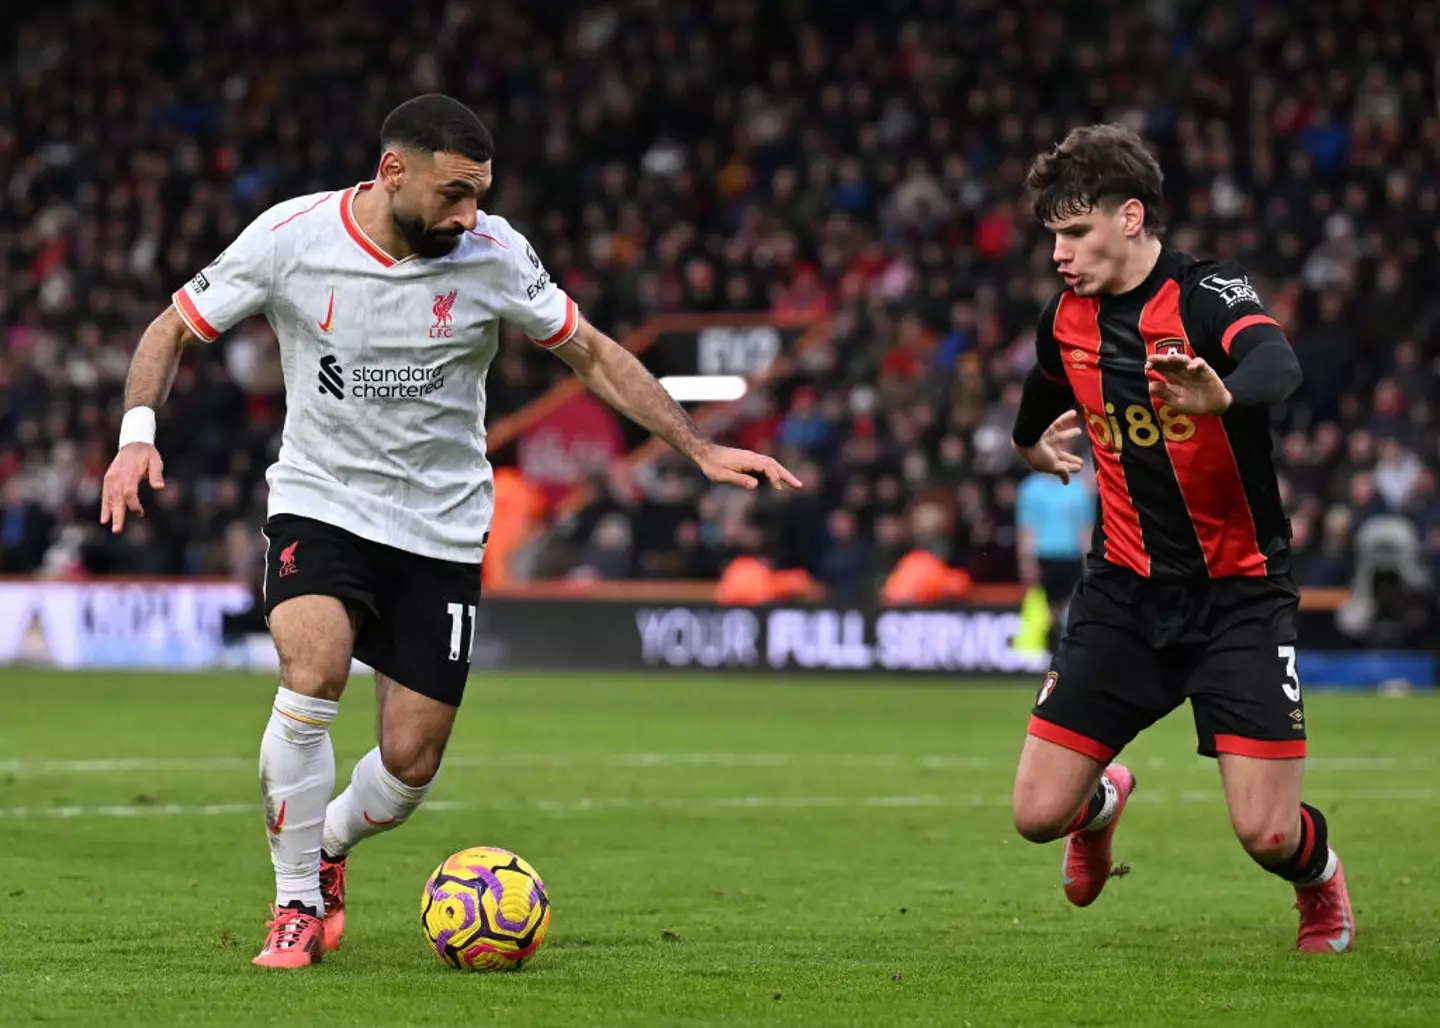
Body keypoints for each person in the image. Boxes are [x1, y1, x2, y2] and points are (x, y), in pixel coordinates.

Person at [99, 94, 800, 969]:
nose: (469, 214)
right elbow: (171, 327)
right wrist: (136, 439)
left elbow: (591, 353)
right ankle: (293, 906)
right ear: (394, 171)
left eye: (480, 194)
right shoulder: (290, 238)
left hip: (440, 526)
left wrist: (695, 447)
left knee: (408, 768)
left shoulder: (496, 255)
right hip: (322, 500)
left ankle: (327, 848)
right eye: (454, 193)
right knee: (311, 672)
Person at [1008, 123, 1354, 953]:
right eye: (1054, 234)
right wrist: (1031, 444)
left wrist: (1224, 398)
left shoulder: (1206, 292)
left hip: (1239, 597)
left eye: (1076, 232)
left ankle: (1322, 883)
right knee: (1035, 816)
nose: (1060, 252)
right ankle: (1100, 805)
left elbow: (1278, 364)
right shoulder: (1066, 318)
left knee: (1267, 835)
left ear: (1132, 218)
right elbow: (1037, 390)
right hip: (1124, 592)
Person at [1015, 450, 1094, 649]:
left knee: (1070, 608)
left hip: (1071, 556)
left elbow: (1084, 529)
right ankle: (1046, 649)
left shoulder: (1078, 489)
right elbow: (1027, 529)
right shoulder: (1030, 489)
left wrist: (1089, 562)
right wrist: (1027, 561)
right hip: (1044, 556)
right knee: (1047, 610)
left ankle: (1064, 650)